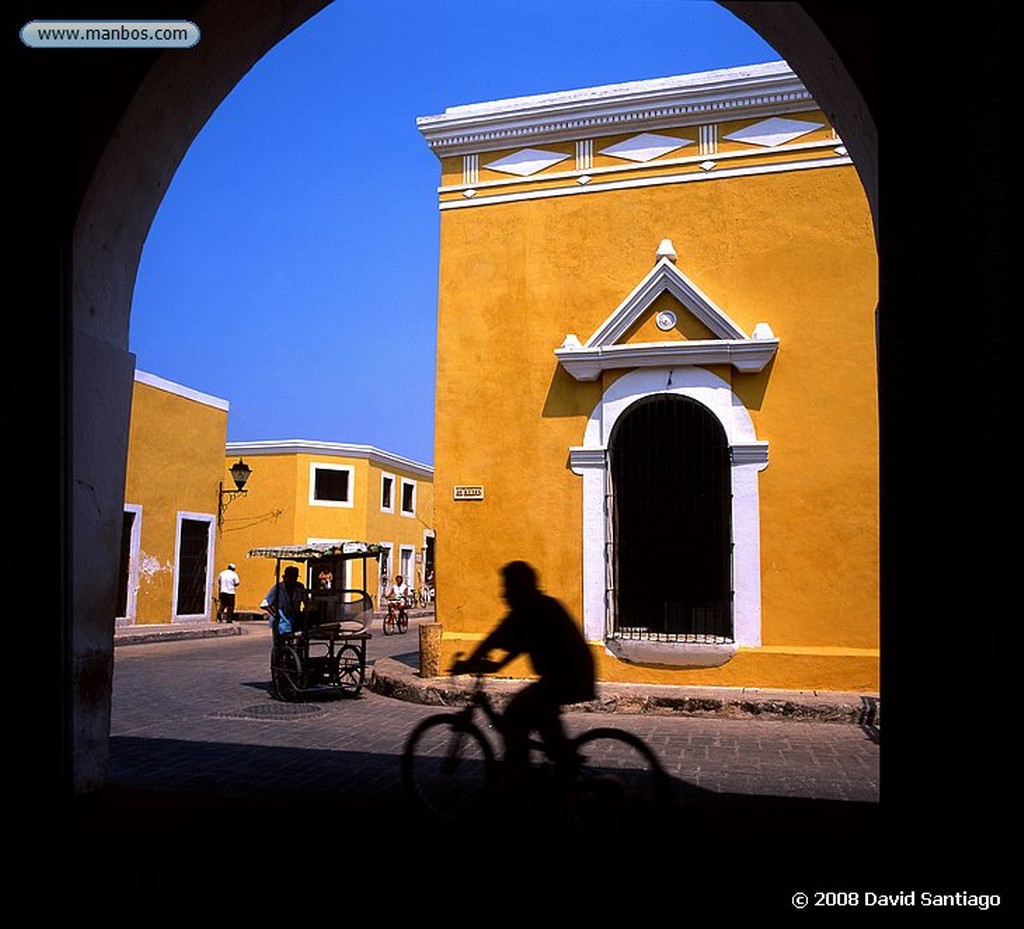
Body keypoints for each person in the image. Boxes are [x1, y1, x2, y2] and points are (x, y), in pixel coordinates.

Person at [451, 561, 596, 790]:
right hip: (570, 674)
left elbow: (495, 638)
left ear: (519, 587)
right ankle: (556, 766)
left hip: (567, 677)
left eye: (507, 587)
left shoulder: (529, 609)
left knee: (514, 715)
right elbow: (521, 643)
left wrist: (467, 663)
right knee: (541, 716)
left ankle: (520, 782)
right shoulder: (537, 606)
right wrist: (496, 666)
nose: (504, 593)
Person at [260, 565, 305, 636]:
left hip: (295, 618)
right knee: (280, 642)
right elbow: (265, 604)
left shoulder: (300, 587)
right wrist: (276, 615)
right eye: (290, 577)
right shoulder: (277, 588)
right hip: (280, 620)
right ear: (284, 577)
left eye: (295, 577)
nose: (293, 580)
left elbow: (306, 600)